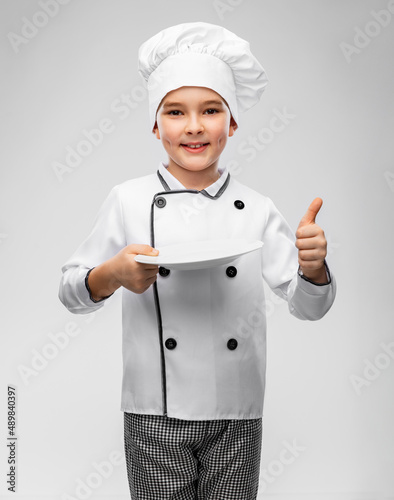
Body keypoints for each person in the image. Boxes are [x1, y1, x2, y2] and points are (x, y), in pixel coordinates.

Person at [59, 22, 336, 500]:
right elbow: (71, 290)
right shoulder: (127, 200)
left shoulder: (255, 206)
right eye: (175, 112)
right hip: (153, 408)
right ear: (154, 123)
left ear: (231, 123)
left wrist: (313, 270)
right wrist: (114, 274)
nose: (193, 126)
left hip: (236, 411)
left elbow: (307, 306)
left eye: (210, 110)